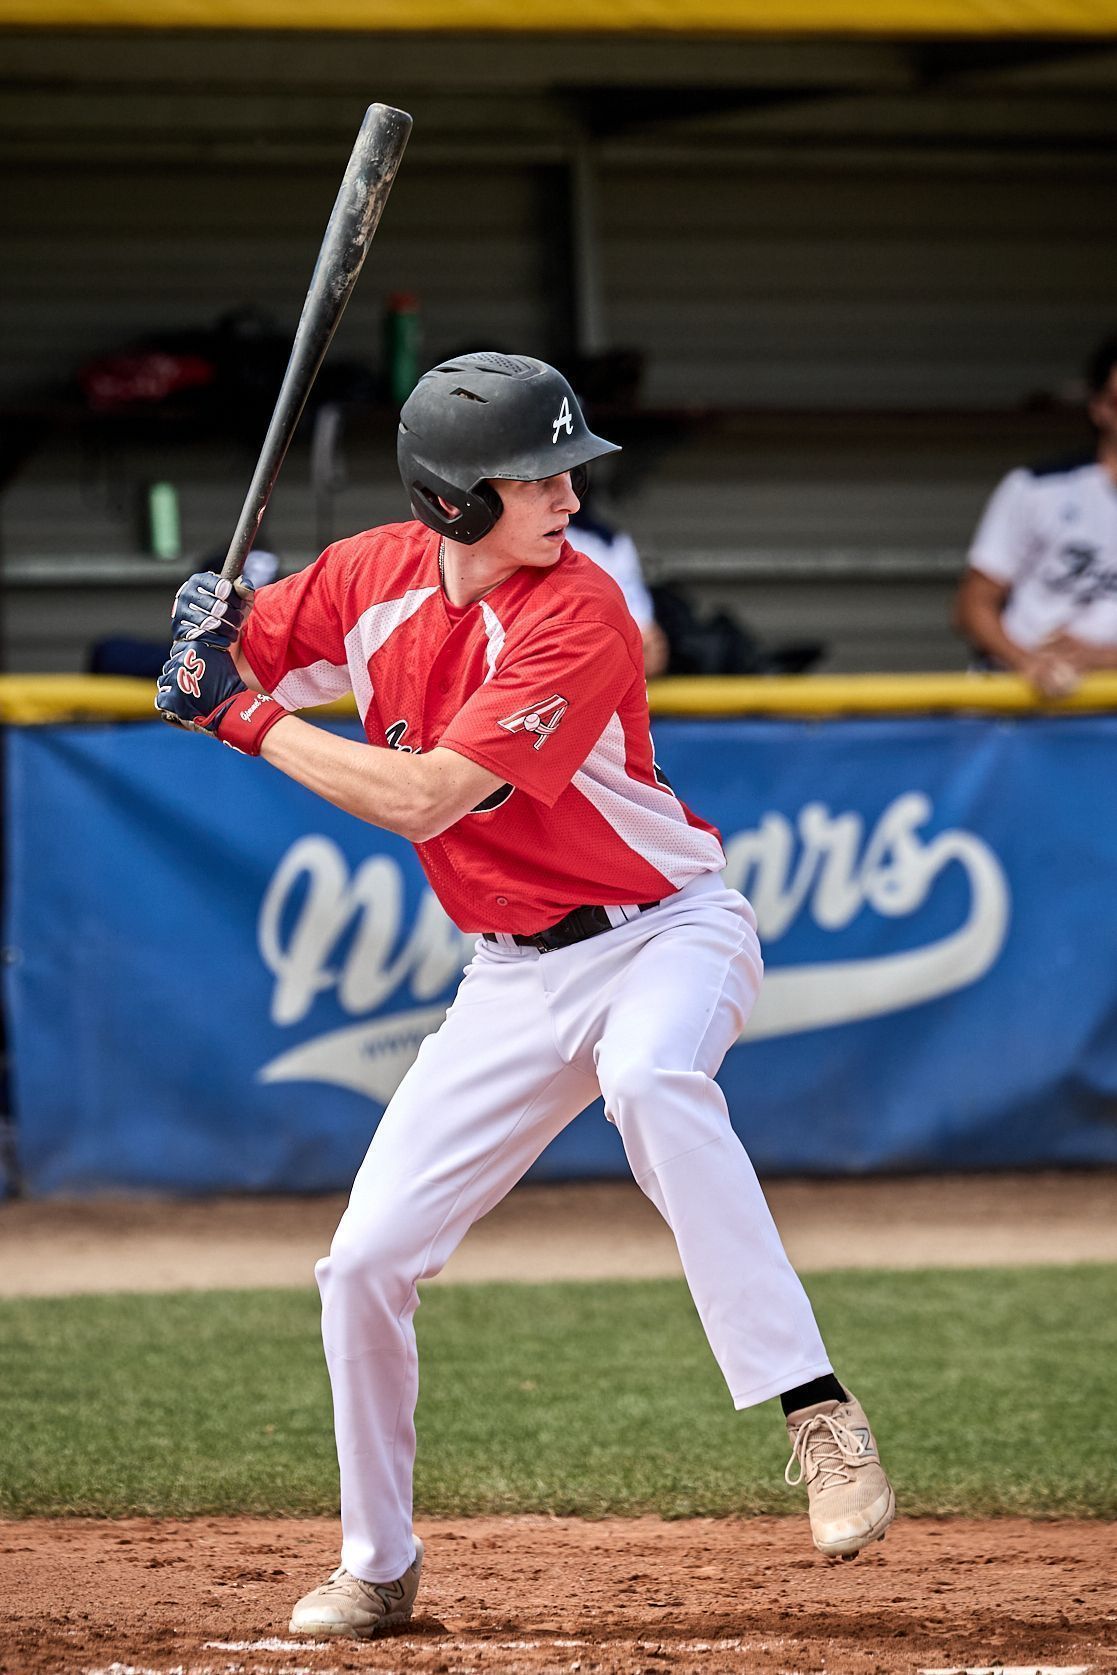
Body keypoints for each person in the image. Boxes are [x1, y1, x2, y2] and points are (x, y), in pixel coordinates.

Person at [156, 353, 895, 1641]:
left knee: (651, 1079)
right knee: (364, 1263)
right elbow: (245, 655)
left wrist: (237, 718)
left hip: (668, 930)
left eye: (567, 467)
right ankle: (378, 1566)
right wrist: (198, 635)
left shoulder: (582, 611)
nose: (568, 492)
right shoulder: (367, 574)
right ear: (450, 502)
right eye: (537, 474)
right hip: (509, 973)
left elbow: (423, 796)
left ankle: (816, 1410)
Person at [953, 334, 1117, 696]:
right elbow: (972, 605)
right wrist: (1027, 663)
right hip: (1023, 702)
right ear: (1100, 408)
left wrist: (1101, 657)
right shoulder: (1037, 487)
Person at [566, 503, 670, 677]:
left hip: (615, 673)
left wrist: (644, 639)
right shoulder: (539, 543)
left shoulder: (612, 539)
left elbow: (643, 629)